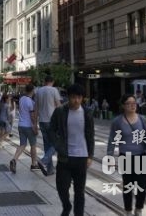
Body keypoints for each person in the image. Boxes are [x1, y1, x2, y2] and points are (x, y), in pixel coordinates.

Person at [49, 83, 94, 216]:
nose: (76, 100)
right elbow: (51, 130)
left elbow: (90, 135)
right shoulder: (60, 111)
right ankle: (66, 205)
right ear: (68, 97)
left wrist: (90, 155)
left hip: (81, 157)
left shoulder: (87, 113)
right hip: (65, 156)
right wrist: (58, 145)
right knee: (62, 187)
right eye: (74, 97)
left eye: (79, 97)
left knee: (79, 191)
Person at [107, 94, 146, 216]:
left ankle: (139, 208)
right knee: (128, 185)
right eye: (129, 103)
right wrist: (110, 156)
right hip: (125, 157)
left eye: (134, 103)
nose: (132, 105)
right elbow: (112, 140)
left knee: (142, 185)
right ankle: (128, 210)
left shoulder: (143, 119)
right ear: (123, 106)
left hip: (141, 156)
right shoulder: (117, 121)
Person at [35, 75, 62, 176]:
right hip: (52, 121)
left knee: (47, 145)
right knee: (57, 143)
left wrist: (34, 124)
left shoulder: (38, 91)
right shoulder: (54, 90)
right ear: (52, 81)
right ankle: (44, 160)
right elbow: (59, 106)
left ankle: (50, 170)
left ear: (44, 81)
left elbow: (36, 108)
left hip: (42, 121)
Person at [9, 84, 39, 173]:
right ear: (32, 91)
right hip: (29, 126)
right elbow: (32, 116)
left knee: (22, 145)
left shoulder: (21, 99)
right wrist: (35, 127)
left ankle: (14, 159)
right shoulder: (31, 102)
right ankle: (34, 164)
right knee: (33, 145)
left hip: (21, 125)